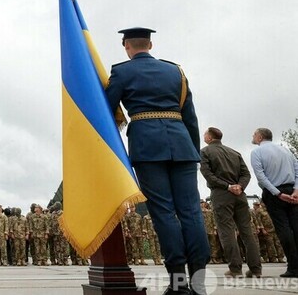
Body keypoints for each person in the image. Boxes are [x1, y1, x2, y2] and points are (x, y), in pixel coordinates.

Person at [104, 27, 210, 295]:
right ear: (150, 45)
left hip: (147, 146)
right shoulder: (176, 71)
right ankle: (198, 282)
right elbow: (191, 116)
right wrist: (193, 151)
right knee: (191, 211)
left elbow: (107, 107)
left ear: (126, 45)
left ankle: (179, 283)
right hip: (182, 144)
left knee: (163, 212)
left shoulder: (121, 71)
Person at [199, 126, 261, 278]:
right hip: (240, 195)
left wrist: (227, 186)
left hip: (221, 195)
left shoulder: (205, 152)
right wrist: (239, 186)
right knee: (247, 232)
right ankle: (255, 269)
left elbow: (207, 174)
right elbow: (246, 174)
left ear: (209, 137)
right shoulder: (235, 153)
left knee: (227, 232)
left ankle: (235, 269)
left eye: (205, 135)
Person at [250, 127, 298, 278]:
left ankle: (294, 267)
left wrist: (277, 193)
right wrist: (296, 189)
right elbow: (297, 171)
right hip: (292, 191)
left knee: (283, 229)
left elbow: (261, 177)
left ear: (259, 137)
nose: (253, 136)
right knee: (296, 227)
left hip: (274, 193)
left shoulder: (256, 152)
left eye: (254, 134)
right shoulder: (286, 150)